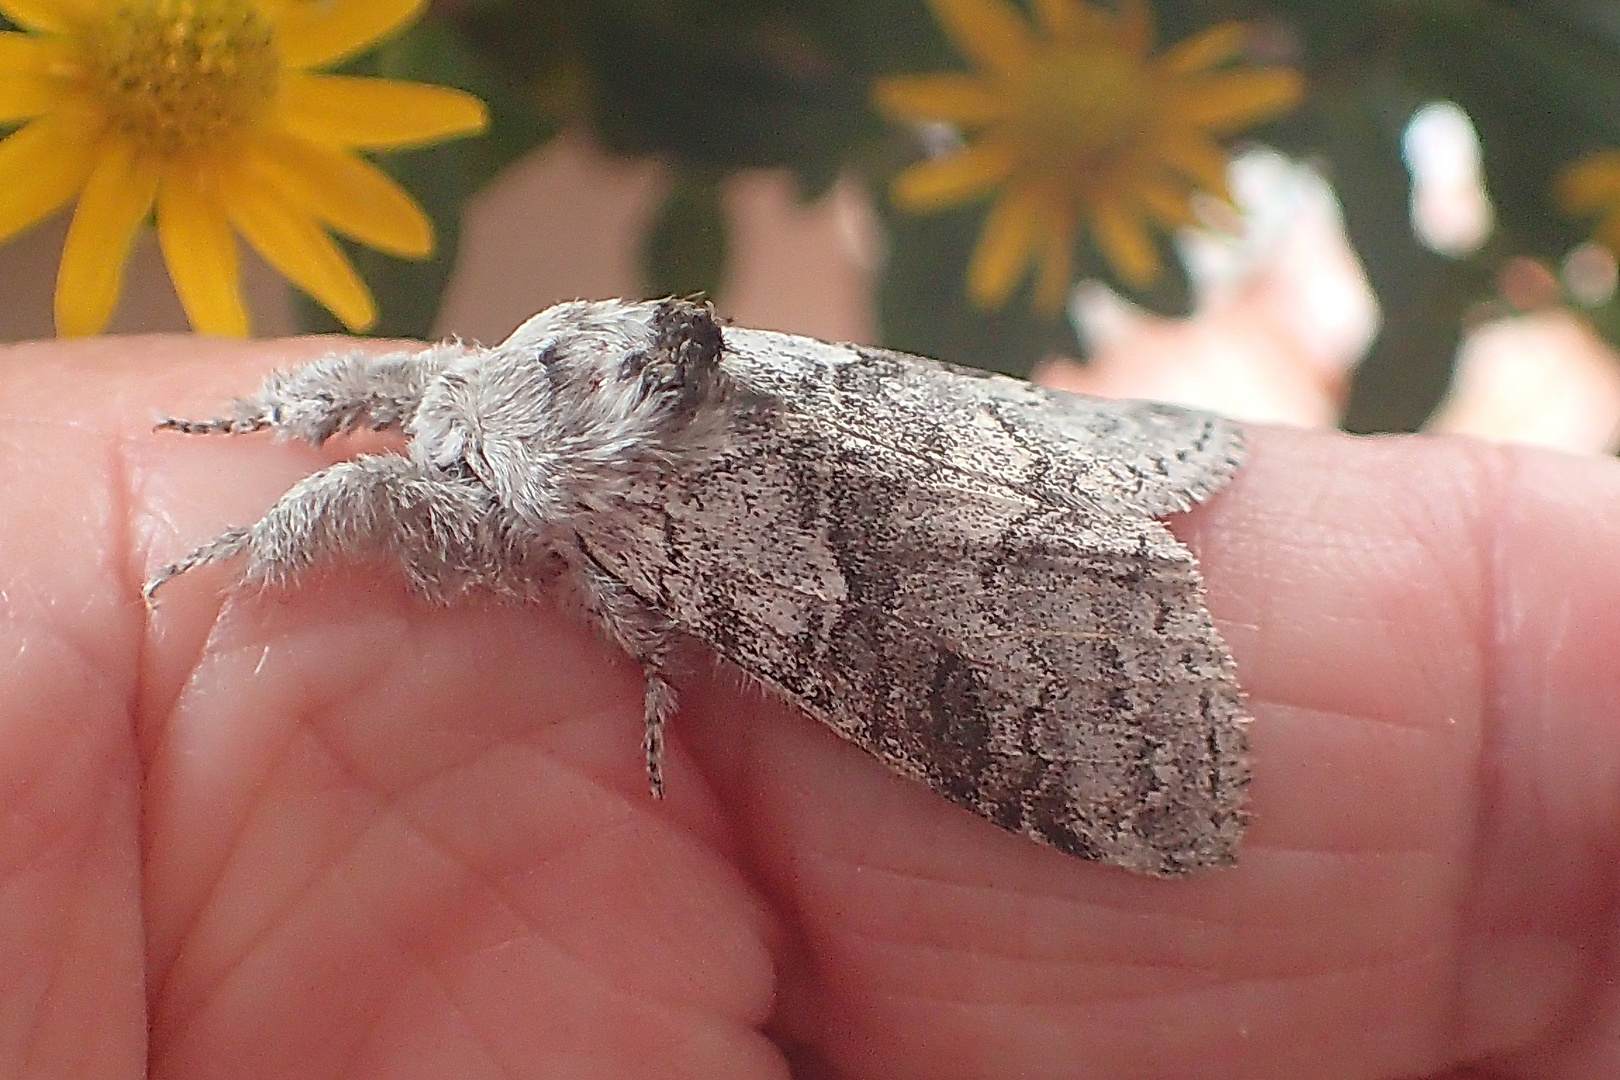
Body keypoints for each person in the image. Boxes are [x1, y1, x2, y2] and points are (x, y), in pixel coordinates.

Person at [4, 332, 1618, 1079]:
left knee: (1071, 733)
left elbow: (568, 566)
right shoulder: (528, 369)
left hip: (855, 523)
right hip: (878, 396)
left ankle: (1131, 711)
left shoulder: (599, 503)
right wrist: (242, 471)